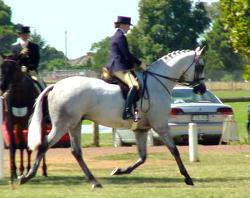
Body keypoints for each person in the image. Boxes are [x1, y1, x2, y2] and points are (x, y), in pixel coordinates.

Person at [105, 16, 146, 120]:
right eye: (128, 26)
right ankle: (127, 112)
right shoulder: (120, 37)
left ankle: (133, 110)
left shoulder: (118, 35)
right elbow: (126, 54)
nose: (129, 28)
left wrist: (132, 67)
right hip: (118, 68)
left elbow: (124, 56)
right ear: (123, 25)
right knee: (135, 85)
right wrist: (139, 63)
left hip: (120, 66)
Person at [11, 25, 45, 91]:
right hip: (18, 71)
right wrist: (21, 54)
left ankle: (43, 96)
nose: (24, 36)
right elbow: (14, 60)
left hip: (31, 71)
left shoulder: (34, 46)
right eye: (23, 34)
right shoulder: (14, 47)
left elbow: (36, 60)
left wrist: (28, 68)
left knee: (40, 83)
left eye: (26, 34)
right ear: (19, 35)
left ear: (28, 35)